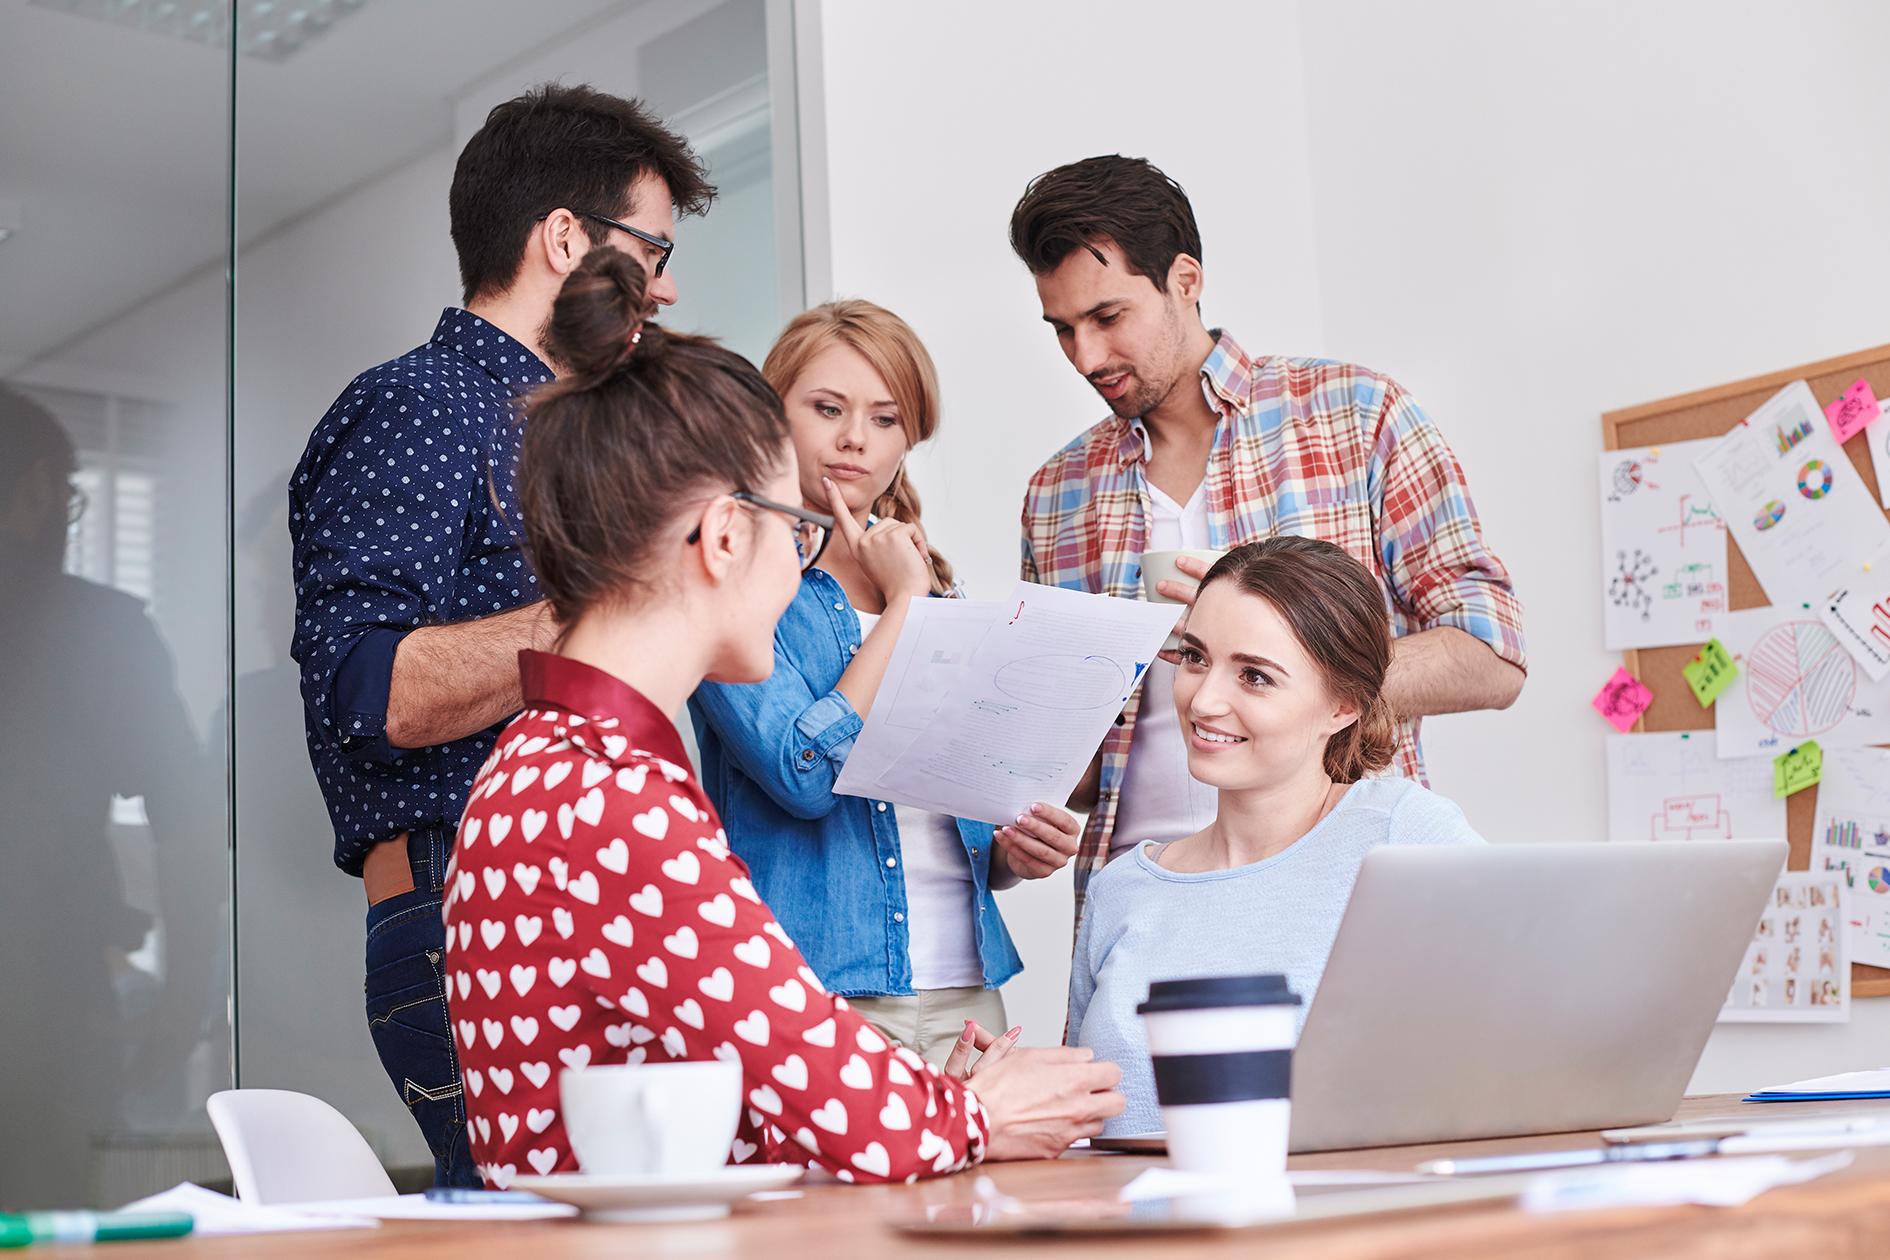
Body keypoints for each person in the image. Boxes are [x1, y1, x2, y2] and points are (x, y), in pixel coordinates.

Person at [445, 247, 1123, 1185]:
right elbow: (841, 1105)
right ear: (727, 536)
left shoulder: (541, 763)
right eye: (793, 528)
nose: (804, 557)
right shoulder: (613, 799)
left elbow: (731, 1094)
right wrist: (972, 1110)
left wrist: (937, 1099)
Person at [289, 84, 714, 1185]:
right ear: (564, 238)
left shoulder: (577, 435)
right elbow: (367, 691)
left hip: (585, 911)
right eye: (652, 249)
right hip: (463, 916)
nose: (666, 286)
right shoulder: (420, 405)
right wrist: (606, 601)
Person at [1008, 155, 1527, 935]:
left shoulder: (1357, 416)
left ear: (1186, 279)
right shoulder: (1058, 494)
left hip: (1343, 890)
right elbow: (1077, 762)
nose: (1087, 357)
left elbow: (1493, 653)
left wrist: (1300, 673)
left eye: (1108, 318)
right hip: (1145, 909)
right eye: (1063, 330)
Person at [689, 301, 1081, 1063]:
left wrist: (1015, 851)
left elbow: (945, 809)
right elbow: (800, 777)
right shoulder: (730, 580)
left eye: (885, 419)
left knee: (987, 1185)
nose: (854, 440)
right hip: (816, 983)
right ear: (775, 415)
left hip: (964, 986)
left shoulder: (936, 581)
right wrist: (905, 608)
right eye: (827, 408)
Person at [1065, 538, 1485, 1136]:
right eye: (1194, 657)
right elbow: (1087, 1127)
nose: (1204, 700)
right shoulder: (1121, 889)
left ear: (1344, 704)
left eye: (1255, 676)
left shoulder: (1405, 837)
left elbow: (1533, 1032)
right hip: (1135, 1227)